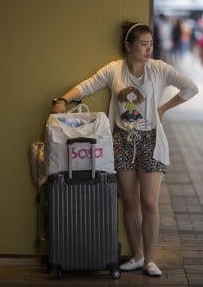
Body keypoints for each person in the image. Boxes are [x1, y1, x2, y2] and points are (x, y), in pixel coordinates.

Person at [51, 22, 199, 277]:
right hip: (121, 141)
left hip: (150, 141)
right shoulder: (114, 70)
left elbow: (191, 88)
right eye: (143, 44)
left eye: (151, 44)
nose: (148, 49)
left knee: (149, 201)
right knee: (130, 201)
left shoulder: (159, 69)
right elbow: (88, 85)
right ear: (128, 46)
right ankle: (137, 255)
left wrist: (162, 109)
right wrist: (64, 99)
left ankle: (151, 260)